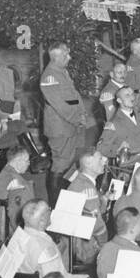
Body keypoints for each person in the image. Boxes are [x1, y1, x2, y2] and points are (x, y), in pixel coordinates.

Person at [39, 41, 88, 196]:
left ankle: (64, 198)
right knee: (60, 164)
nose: (70, 57)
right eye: (66, 54)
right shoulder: (49, 77)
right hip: (59, 129)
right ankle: (54, 203)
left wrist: (82, 113)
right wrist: (77, 118)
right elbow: (60, 106)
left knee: (68, 162)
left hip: (69, 126)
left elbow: (73, 97)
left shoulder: (61, 72)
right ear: (56, 57)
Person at [97, 85, 140, 162]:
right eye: (127, 95)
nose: (132, 97)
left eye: (132, 94)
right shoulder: (113, 123)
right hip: (132, 164)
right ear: (119, 100)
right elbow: (101, 148)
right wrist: (120, 149)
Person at [0, 146, 34, 228]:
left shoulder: (2, 173)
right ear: (17, 162)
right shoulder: (16, 183)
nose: (29, 163)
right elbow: (21, 216)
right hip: (7, 227)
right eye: (27, 160)